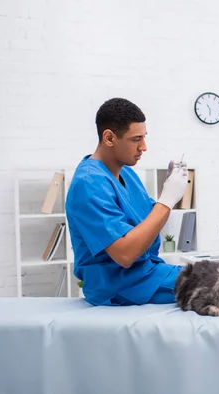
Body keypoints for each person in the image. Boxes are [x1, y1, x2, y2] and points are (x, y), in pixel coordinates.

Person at [65, 97, 189, 306]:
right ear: (109, 138)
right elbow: (125, 254)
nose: (144, 147)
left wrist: (168, 193)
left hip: (147, 274)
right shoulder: (88, 183)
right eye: (136, 139)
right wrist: (167, 200)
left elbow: (149, 220)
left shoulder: (127, 174)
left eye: (144, 137)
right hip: (120, 286)